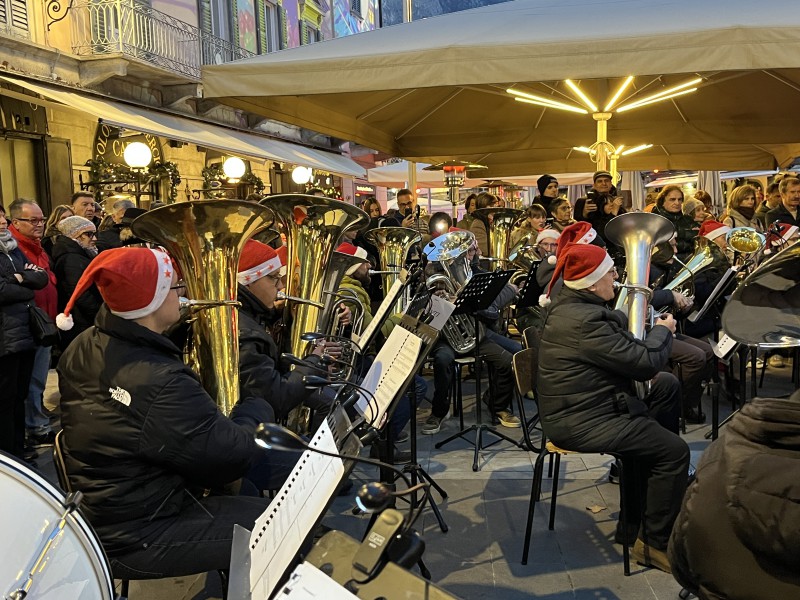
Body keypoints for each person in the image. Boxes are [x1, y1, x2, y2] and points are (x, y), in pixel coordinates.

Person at [56, 247, 274, 579]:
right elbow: (232, 457)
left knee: (252, 497)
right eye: (175, 287)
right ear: (153, 300)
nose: (182, 294)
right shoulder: (158, 379)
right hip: (140, 533)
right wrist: (258, 404)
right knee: (285, 524)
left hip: (107, 510)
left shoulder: (84, 343)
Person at [537, 243, 689, 573]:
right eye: (610, 272)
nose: (616, 276)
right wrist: (662, 331)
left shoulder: (573, 307)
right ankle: (654, 542)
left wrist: (637, 311)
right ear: (592, 283)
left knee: (666, 387)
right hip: (582, 420)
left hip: (587, 406)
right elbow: (645, 363)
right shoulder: (584, 321)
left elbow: (611, 324)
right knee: (674, 452)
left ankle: (636, 522)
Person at [422, 237, 521, 434]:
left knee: (508, 362)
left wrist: (465, 302)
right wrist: (439, 303)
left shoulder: (476, 277)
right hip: (445, 338)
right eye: (465, 252)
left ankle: (497, 404)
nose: (469, 256)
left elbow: (491, 313)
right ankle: (439, 411)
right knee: (442, 361)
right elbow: (425, 318)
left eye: (471, 251)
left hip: (475, 334)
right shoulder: (431, 279)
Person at [7, 198, 58, 450]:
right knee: (28, 383)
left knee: (36, 378)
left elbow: (41, 278)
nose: (40, 224)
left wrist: (29, 277)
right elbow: (12, 285)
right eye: (33, 220)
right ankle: (34, 427)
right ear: (16, 222)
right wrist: (28, 279)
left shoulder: (35, 246)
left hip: (42, 321)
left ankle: (34, 423)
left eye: (42, 219)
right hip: (24, 325)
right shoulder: (14, 249)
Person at [0, 204, 48, 462]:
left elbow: (41, 277)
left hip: (24, 332)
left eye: (2, 216)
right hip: (5, 337)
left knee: (20, 394)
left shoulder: (12, 248)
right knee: (5, 399)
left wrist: (20, 279)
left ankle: (19, 446)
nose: (2, 221)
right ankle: (8, 454)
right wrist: (24, 281)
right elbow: (1, 291)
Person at [52, 216, 102, 351]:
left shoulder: (78, 255)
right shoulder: (71, 259)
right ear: (75, 235)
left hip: (82, 320)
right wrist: (100, 315)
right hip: (80, 322)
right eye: (89, 234)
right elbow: (81, 294)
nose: (94, 239)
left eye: (95, 233)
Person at [652, 185, 698, 260]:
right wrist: (686, 234)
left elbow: (698, 240)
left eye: (680, 199)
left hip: (691, 259)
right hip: (668, 263)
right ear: (662, 201)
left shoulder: (688, 219)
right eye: (672, 199)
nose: (677, 203)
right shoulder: (655, 221)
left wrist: (677, 235)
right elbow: (664, 248)